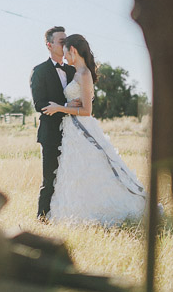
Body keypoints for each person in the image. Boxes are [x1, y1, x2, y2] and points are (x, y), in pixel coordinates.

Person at [41, 34, 146, 225]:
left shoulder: (84, 74)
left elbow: (87, 111)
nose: (64, 58)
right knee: (75, 170)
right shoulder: (75, 73)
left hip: (83, 129)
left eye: (66, 53)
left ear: (73, 50)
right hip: (72, 131)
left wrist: (59, 107)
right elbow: (76, 103)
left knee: (91, 169)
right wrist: (67, 104)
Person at [30, 26, 77, 220]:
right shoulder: (39, 71)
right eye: (61, 41)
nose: (65, 44)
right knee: (50, 178)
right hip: (50, 134)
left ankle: (67, 216)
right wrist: (65, 105)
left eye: (66, 40)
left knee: (73, 177)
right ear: (49, 45)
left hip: (74, 134)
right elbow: (39, 104)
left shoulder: (73, 70)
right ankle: (42, 218)